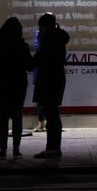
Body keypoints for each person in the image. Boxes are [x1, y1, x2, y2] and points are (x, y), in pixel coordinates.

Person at [0, 17, 33, 160]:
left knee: (3, 116)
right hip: (19, 83)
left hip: (1, 83)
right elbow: (30, 66)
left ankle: (2, 150)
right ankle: (16, 149)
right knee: (17, 115)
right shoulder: (22, 46)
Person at [32, 13, 70, 159]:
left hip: (48, 80)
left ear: (45, 27)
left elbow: (35, 61)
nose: (39, 31)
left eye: (40, 28)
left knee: (51, 115)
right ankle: (54, 148)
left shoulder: (48, 42)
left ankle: (52, 149)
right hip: (57, 78)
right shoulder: (58, 39)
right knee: (54, 114)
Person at [32, 29, 46, 133]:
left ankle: (44, 122)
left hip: (49, 74)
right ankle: (41, 122)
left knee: (48, 100)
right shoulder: (39, 33)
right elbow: (37, 47)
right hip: (41, 74)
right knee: (40, 100)